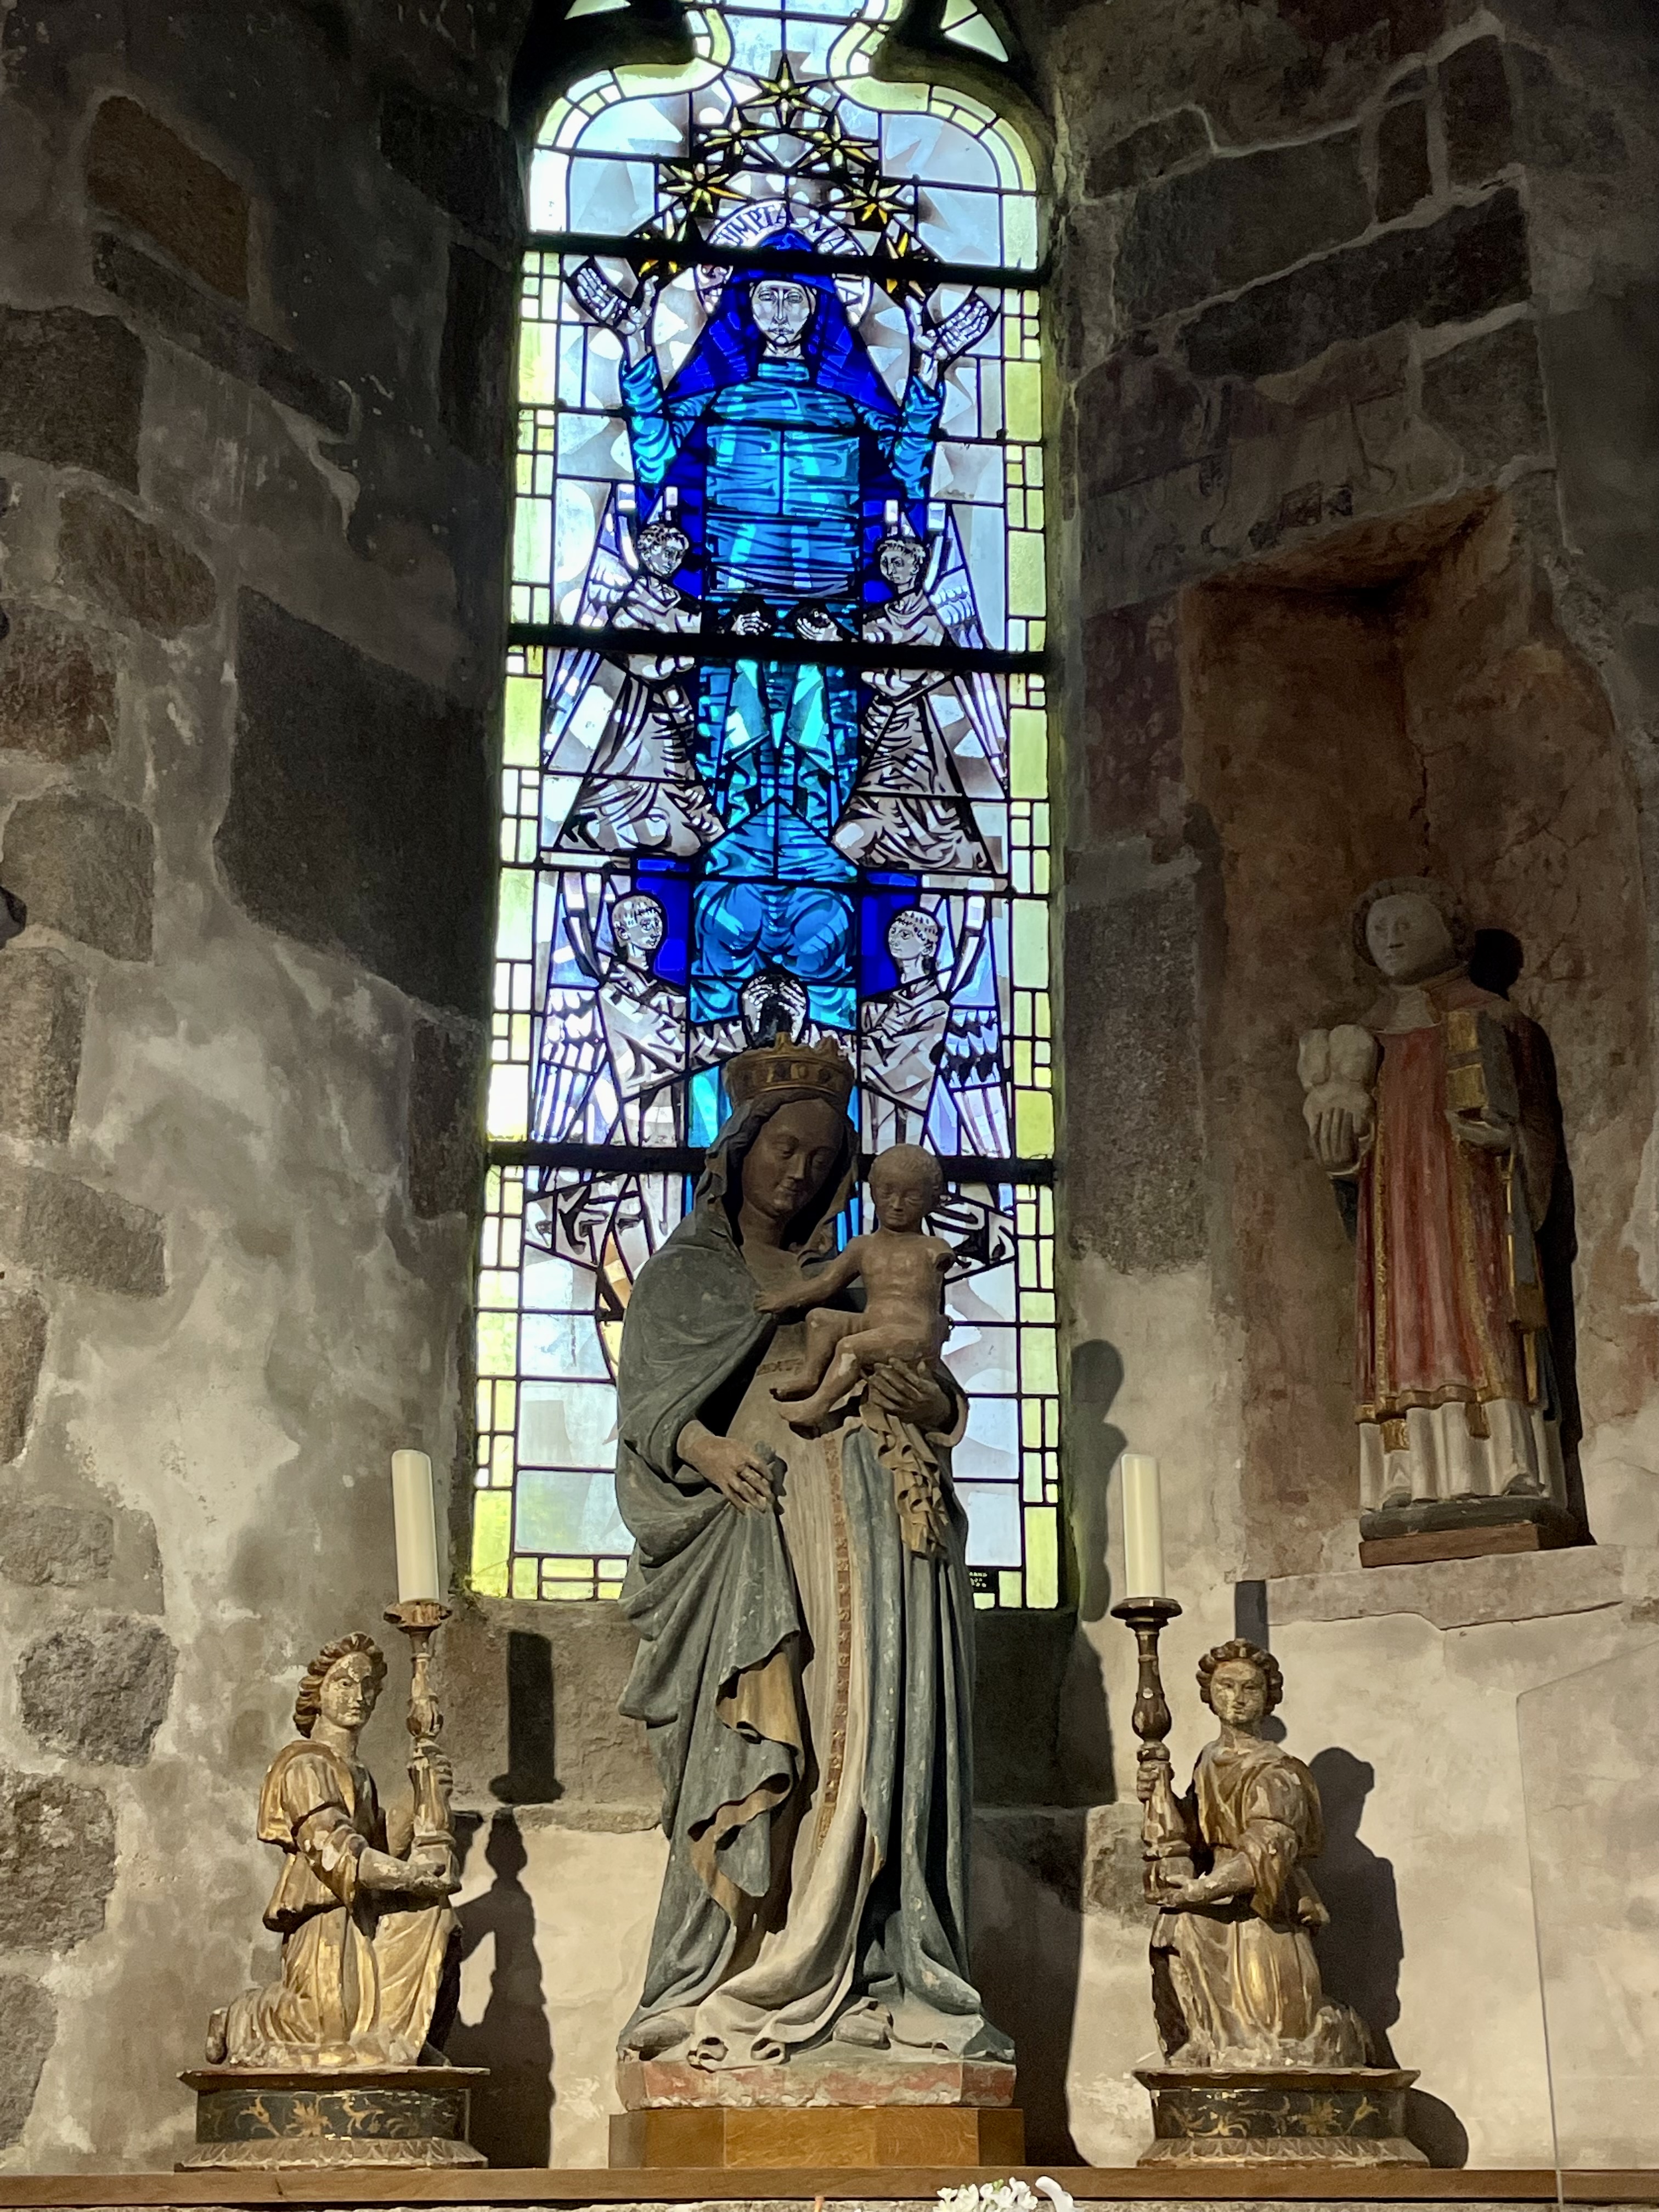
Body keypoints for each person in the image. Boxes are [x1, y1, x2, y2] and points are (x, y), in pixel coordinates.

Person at [612, 1031, 1009, 2069]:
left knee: (874, 1728)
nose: (798, 1173)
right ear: (739, 1147)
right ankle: (720, 1971)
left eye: (822, 1159)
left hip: (883, 1534)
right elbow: (649, 1406)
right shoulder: (687, 1274)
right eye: (783, 1148)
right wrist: (705, 1446)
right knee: (770, 1737)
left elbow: (931, 1388)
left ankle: (879, 1965)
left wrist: (930, 1405)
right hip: (761, 1530)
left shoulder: (862, 1270)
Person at [1302, 877, 1567, 1514]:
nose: (1391, 938)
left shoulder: (1496, 1020)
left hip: (1470, 1208)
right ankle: (1407, 1474)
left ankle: (1506, 1464)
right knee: (1403, 1331)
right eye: (1378, 929)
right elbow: (1355, 1166)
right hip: (1395, 1222)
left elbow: (1537, 1133)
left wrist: (1507, 1143)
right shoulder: (1361, 1045)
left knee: (1480, 1321)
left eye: (1406, 924)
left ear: (1453, 935)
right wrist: (1342, 1163)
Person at [206, 1633, 459, 2068]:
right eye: (344, 1683)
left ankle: (403, 2037)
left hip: (360, 1907)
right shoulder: (304, 1765)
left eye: (368, 1686)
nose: (358, 1696)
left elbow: (379, 1843)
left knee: (433, 1917)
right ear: (318, 1694)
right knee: (328, 2025)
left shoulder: (358, 1773)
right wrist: (410, 1876)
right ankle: (241, 2018)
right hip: (324, 1908)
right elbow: (336, 1847)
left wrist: (423, 1793)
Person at [1139, 1639, 1368, 2070]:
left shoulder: (1278, 1771)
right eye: (1226, 1686)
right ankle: (1202, 2042)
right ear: (1209, 1694)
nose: (1238, 1698)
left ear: (1269, 1697)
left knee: (1273, 2032)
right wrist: (1159, 1792)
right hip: (1216, 1900)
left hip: (1263, 1908)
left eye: (1251, 1688)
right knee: (1175, 1930)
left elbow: (1268, 1851)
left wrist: (1202, 1890)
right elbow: (1196, 1832)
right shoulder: (1209, 1759)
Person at [761, 1142, 952, 1432]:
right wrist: (783, 1299)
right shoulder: (863, 1246)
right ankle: (810, 1377)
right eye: (887, 1193)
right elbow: (825, 1284)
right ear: (873, 1191)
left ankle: (818, 1406)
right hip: (871, 1324)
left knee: (851, 1347)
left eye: (911, 1197)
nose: (897, 1204)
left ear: (931, 1200)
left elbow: (941, 1280)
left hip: (913, 1334)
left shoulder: (933, 1249)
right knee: (820, 1319)